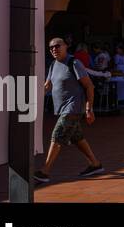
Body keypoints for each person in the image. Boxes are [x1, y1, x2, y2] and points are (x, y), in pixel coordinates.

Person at [34, 38, 103, 183]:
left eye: (57, 46)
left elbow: (89, 86)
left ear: (66, 46)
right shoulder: (54, 65)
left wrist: (89, 108)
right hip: (62, 108)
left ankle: (44, 172)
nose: (54, 49)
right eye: (51, 48)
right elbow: (47, 86)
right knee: (77, 137)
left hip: (73, 108)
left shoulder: (74, 63)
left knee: (57, 134)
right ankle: (95, 164)